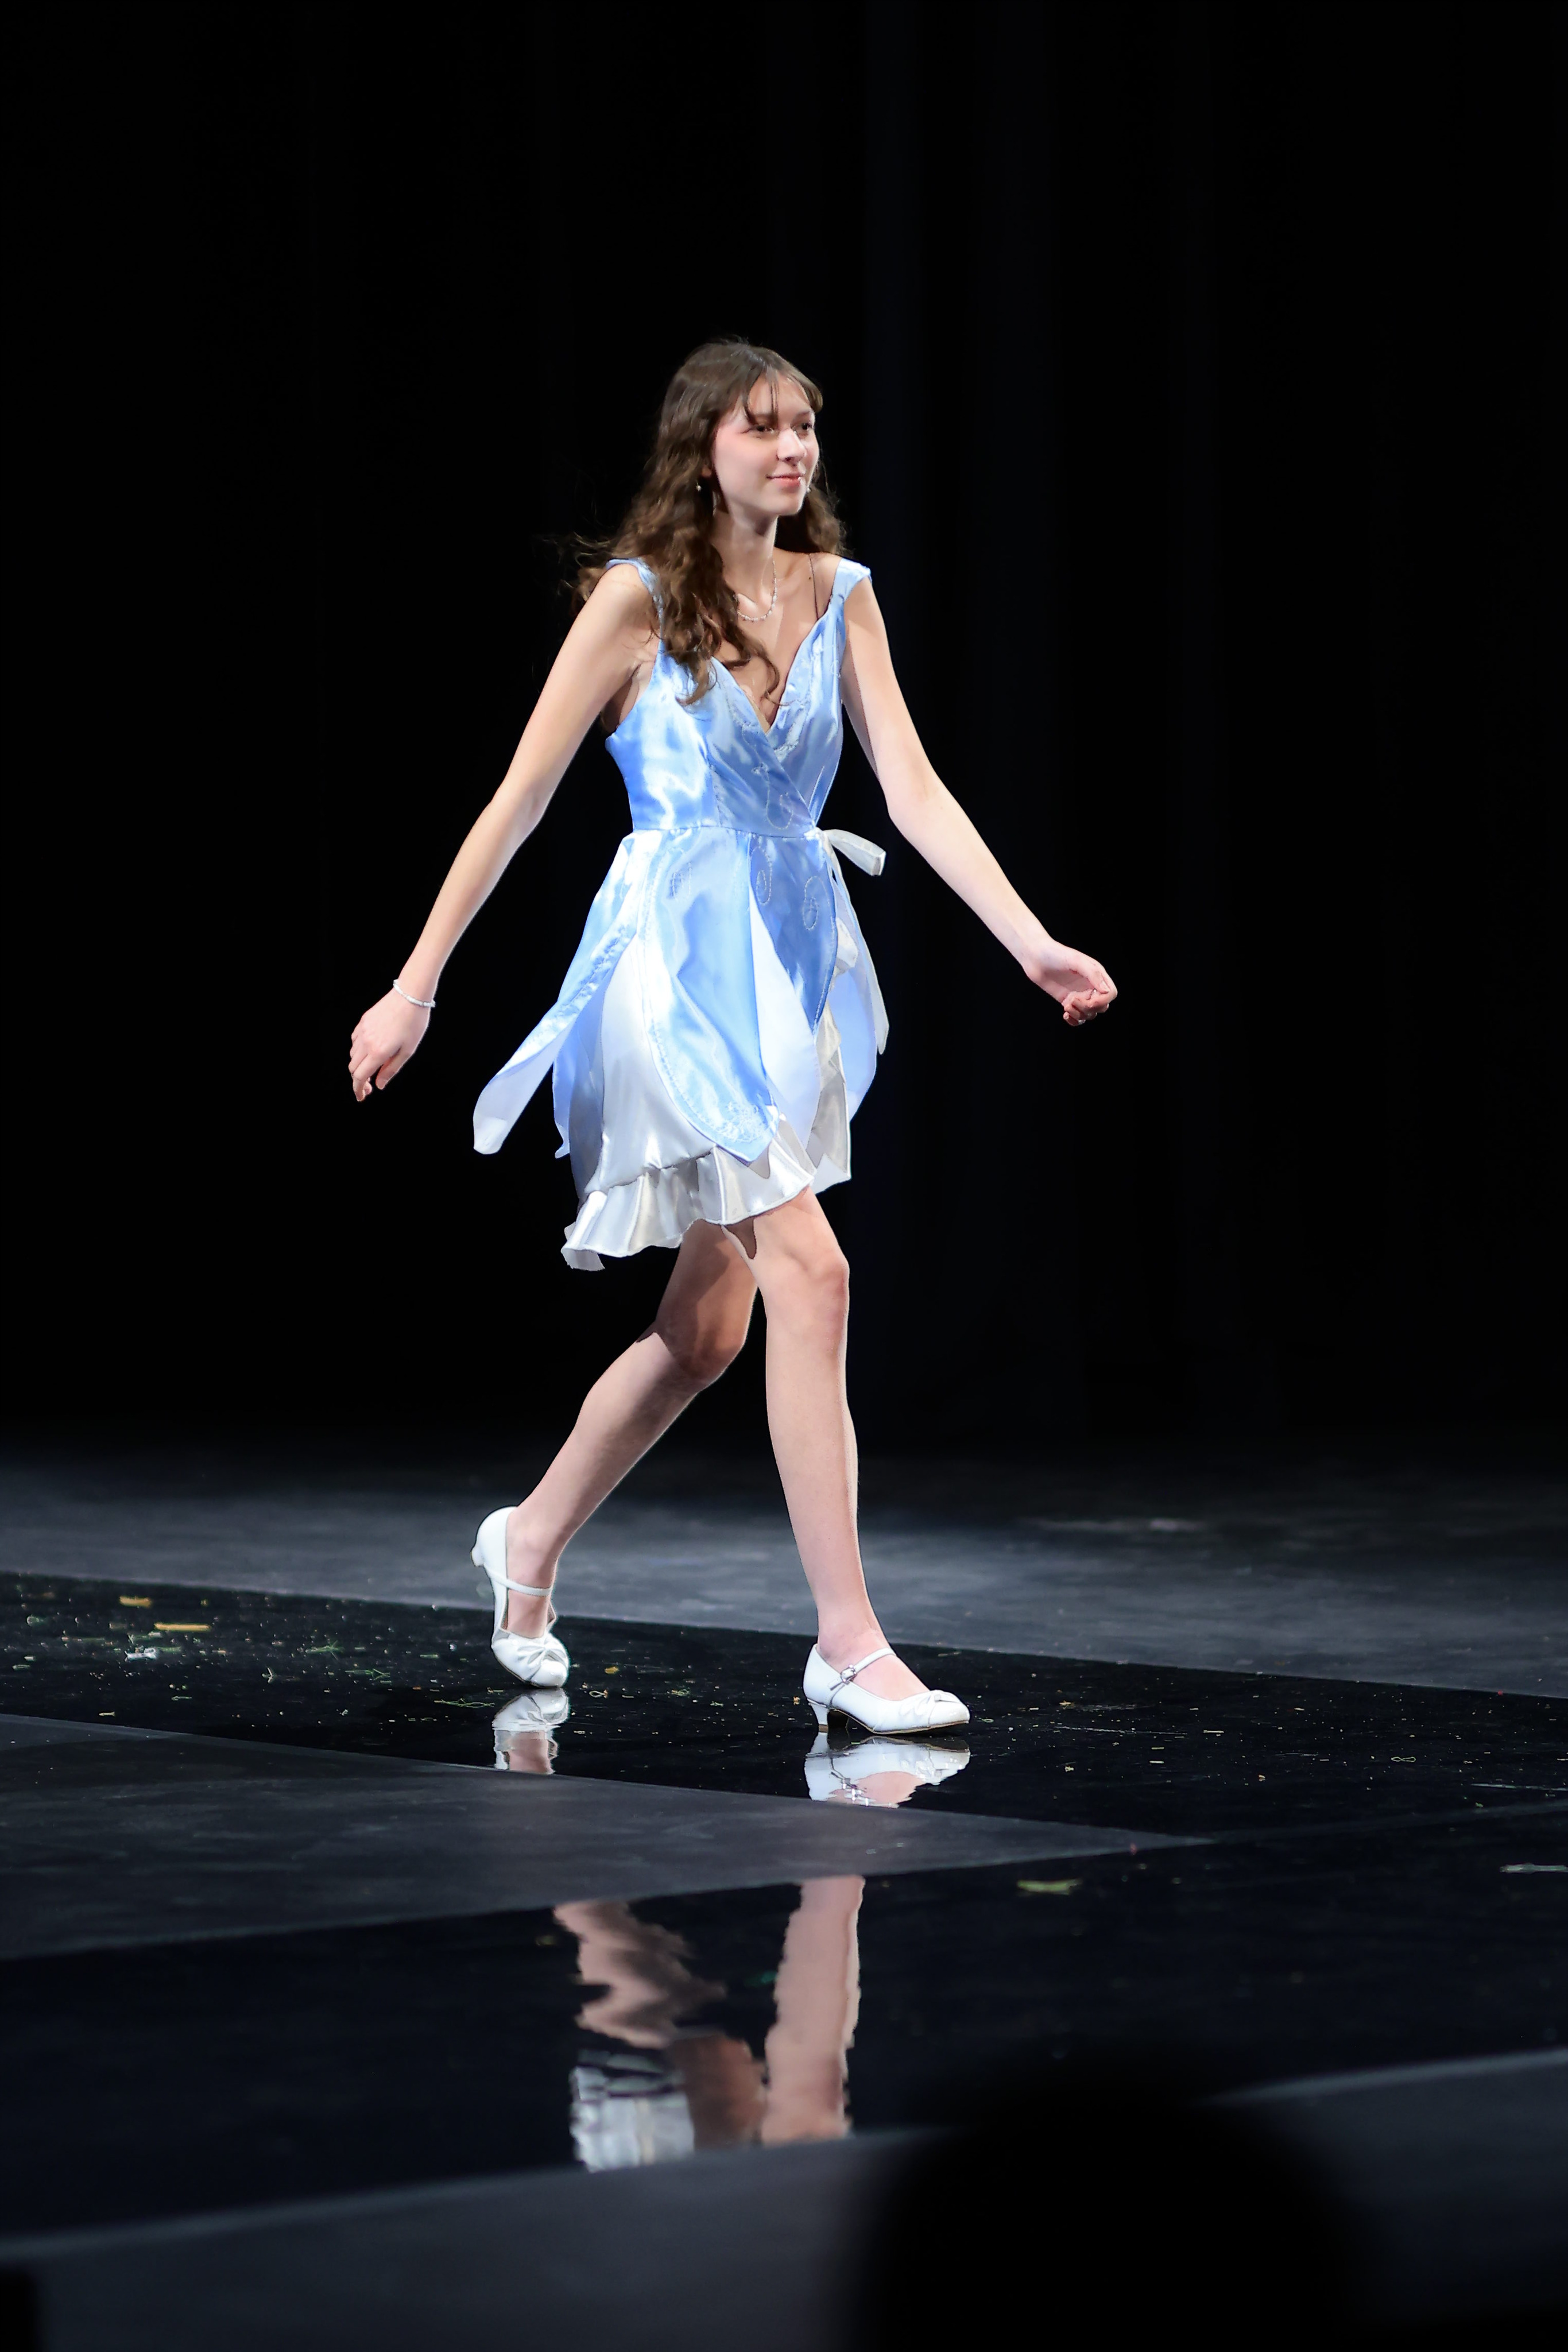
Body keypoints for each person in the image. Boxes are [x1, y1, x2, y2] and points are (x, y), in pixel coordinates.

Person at [348, 339, 1114, 1738]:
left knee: (706, 1330)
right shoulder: (635, 602)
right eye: (763, 427)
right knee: (811, 1273)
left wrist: (1028, 937)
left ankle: (527, 1541)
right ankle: (847, 1643)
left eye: (807, 426)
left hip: (787, 977)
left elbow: (918, 793)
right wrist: (418, 983)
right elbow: (515, 801)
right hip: (662, 973)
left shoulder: (842, 598)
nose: (792, 449)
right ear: (702, 443)